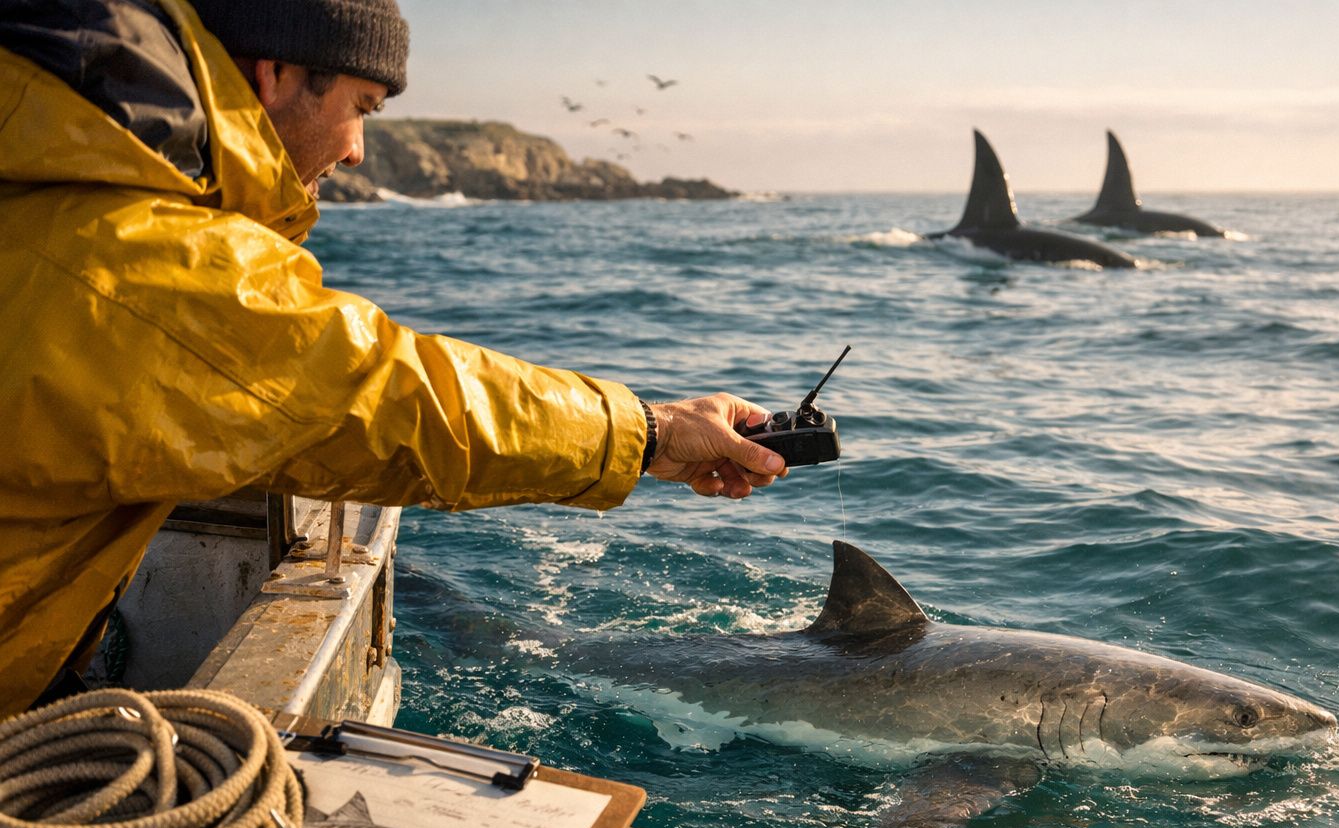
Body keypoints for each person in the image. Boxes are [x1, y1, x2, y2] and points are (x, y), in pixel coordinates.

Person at [0, 0, 789, 718]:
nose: (356, 151)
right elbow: (384, 396)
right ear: (276, 75)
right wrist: (648, 434)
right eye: (360, 109)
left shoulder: (54, 166)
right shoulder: (128, 249)